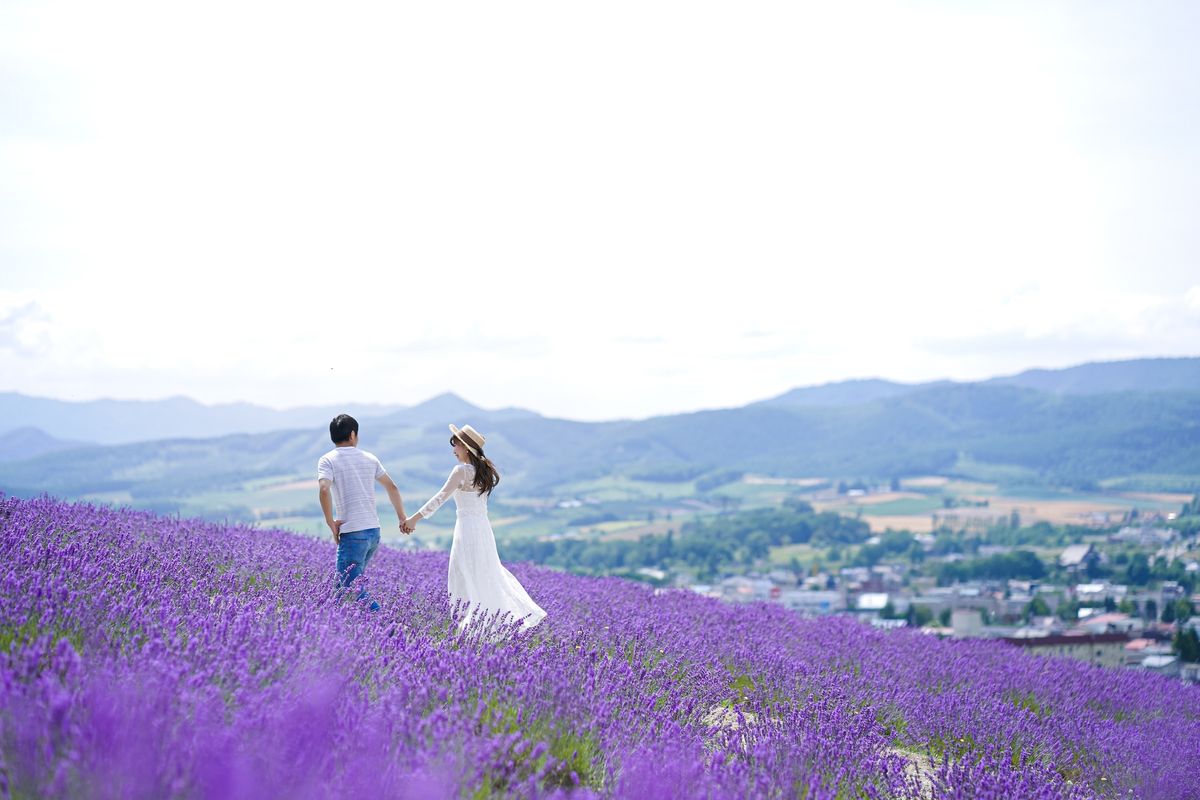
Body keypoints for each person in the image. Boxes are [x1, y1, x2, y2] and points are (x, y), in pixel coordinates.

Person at [403, 424, 545, 632]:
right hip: (483, 530)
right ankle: (487, 625)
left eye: (456, 445)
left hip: (467, 530)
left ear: (466, 448)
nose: (453, 450)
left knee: (463, 574)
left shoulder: (461, 471)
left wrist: (413, 519)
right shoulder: (484, 471)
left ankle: (472, 628)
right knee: (485, 574)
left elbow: (440, 498)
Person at [317, 414, 408, 611]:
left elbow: (324, 490)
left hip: (353, 533)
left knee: (350, 588)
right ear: (352, 435)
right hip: (373, 532)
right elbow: (392, 487)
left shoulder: (327, 460)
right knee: (342, 589)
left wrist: (330, 523)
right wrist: (402, 517)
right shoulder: (370, 458)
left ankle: (387, 624)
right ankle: (337, 625)